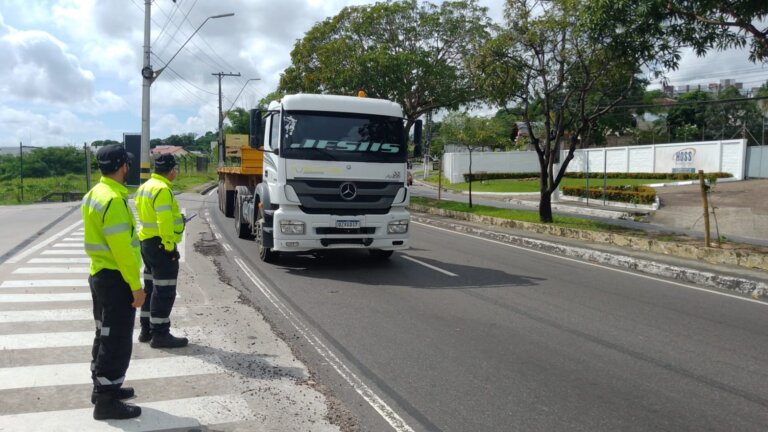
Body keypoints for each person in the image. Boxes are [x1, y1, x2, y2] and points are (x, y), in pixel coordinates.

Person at [82, 144, 145, 420]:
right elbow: (122, 251)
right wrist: (136, 286)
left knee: (104, 333)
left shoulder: (95, 194)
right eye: (127, 164)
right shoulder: (113, 201)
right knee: (117, 338)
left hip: (99, 274)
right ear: (123, 167)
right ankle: (106, 401)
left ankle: (103, 387)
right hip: (116, 278)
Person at [135, 154, 188, 348]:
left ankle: (146, 330)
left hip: (146, 244)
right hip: (160, 246)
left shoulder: (145, 187)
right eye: (175, 169)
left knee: (151, 289)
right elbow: (164, 220)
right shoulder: (163, 189)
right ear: (171, 170)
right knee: (164, 291)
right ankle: (160, 335)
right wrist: (169, 247)